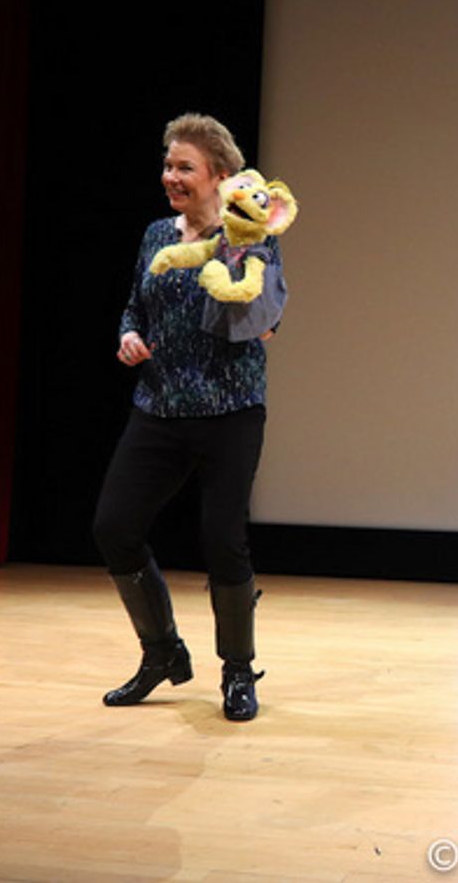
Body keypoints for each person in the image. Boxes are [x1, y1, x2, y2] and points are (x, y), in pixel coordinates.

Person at [93, 113, 284, 721]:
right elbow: (135, 306)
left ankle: (238, 671)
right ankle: (162, 653)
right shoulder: (157, 235)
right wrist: (128, 335)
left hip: (230, 409)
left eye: (184, 168)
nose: (170, 176)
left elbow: (267, 322)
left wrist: (238, 267)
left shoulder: (251, 235)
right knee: (114, 526)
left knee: (223, 539)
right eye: (168, 165)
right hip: (159, 406)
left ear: (220, 176)